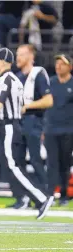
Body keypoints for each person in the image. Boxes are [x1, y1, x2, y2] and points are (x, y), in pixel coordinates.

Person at [0, 47, 54, 220]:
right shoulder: (13, 79)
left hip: (8, 128)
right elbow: (10, 107)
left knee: (13, 167)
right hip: (5, 125)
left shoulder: (5, 79)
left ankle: (42, 199)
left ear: (4, 62)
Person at [15, 44, 53, 207]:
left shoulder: (38, 74)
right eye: (17, 54)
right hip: (19, 122)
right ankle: (25, 198)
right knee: (18, 162)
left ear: (31, 56)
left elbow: (48, 100)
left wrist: (27, 106)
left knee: (36, 161)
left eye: (21, 54)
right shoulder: (16, 76)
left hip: (33, 121)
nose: (18, 58)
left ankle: (46, 196)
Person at [45, 55, 73, 206]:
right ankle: (50, 194)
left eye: (62, 64)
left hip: (68, 129)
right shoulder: (50, 82)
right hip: (51, 129)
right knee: (51, 163)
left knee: (65, 163)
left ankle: (64, 195)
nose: (58, 66)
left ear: (70, 67)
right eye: (57, 64)